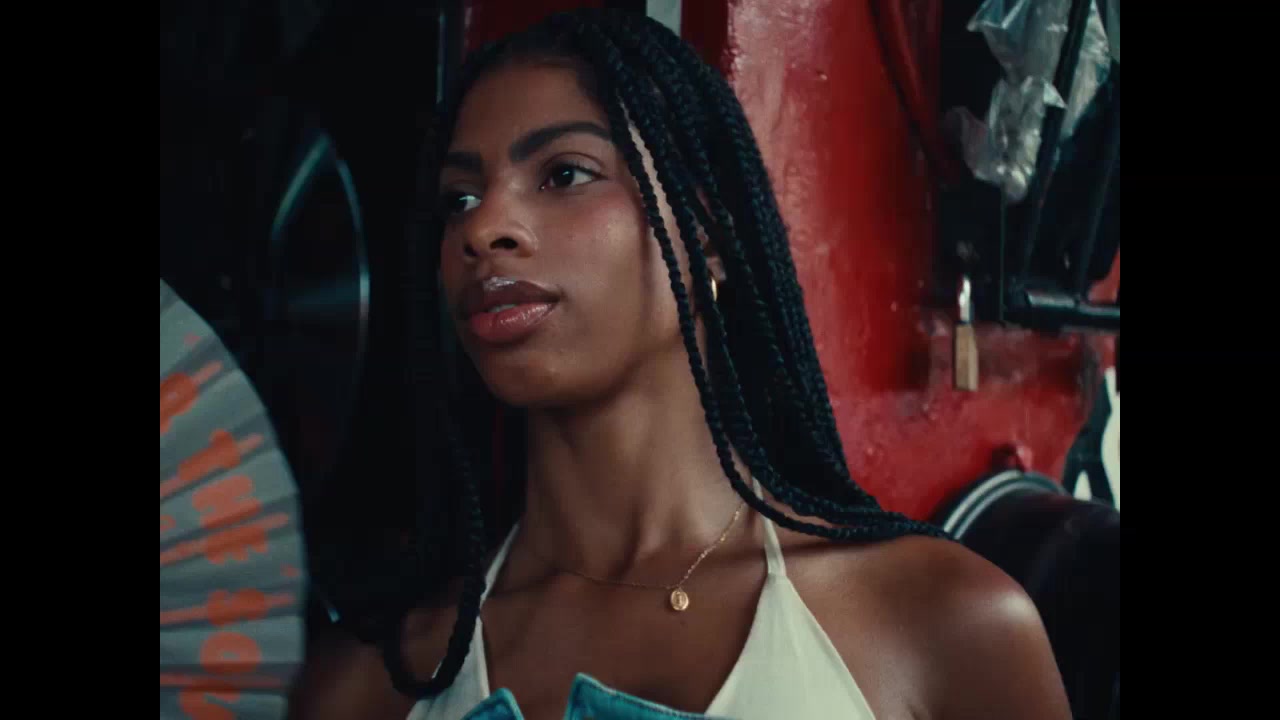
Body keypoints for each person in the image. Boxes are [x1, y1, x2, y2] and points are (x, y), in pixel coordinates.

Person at [288, 8, 1072, 720]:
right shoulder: (375, 681)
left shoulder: (942, 625)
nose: (484, 225)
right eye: (458, 198)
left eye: (564, 174)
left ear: (707, 235)